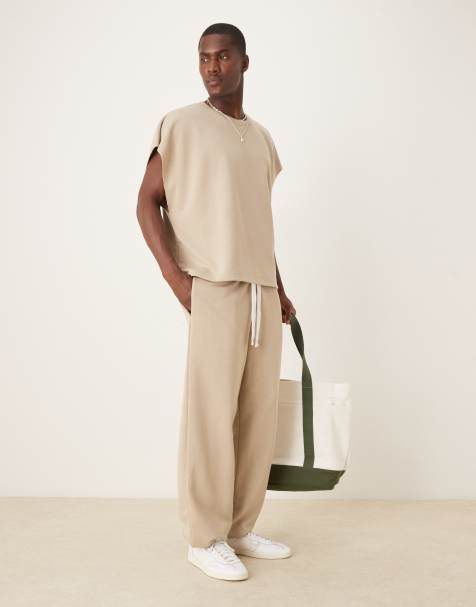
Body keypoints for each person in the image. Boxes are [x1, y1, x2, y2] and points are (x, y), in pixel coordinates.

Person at [136, 22, 296, 582]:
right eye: (204, 57)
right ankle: (204, 538)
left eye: (223, 56)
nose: (212, 67)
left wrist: (279, 288)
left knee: (257, 416)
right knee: (210, 415)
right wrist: (176, 280)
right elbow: (147, 202)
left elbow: (255, 220)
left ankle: (240, 527)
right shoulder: (181, 125)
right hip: (213, 287)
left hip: (261, 292)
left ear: (244, 62)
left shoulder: (263, 139)